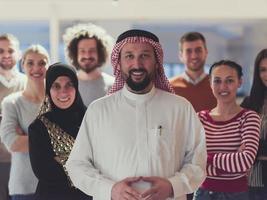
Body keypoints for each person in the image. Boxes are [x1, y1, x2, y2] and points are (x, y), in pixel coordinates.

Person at [66, 29, 207, 200]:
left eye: (145, 56)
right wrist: (110, 190)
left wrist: (172, 186)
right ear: (119, 63)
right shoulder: (98, 111)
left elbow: (198, 161)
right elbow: (77, 165)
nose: (137, 64)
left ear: (157, 62)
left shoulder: (180, 108)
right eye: (129, 56)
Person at [195, 60, 260, 200]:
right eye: (217, 81)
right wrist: (231, 162)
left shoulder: (249, 117)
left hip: (237, 195)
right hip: (202, 194)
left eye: (229, 80)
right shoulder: (199, 118)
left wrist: (206, 157)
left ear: (240, 82)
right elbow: (189, 158)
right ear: (210, 83)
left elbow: (245, 161)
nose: (223, 87)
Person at [28, 63, 92, 200]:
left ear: (76, 87)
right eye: (56, 86)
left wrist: (62, 160)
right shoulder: (38, 127)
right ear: (48, 90)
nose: (63, 92)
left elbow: (102, 162)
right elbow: (45, 173)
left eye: (69, 85)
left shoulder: (90, 121)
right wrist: (83, 165)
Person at [0, 44, 49, 200]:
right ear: (23, 65)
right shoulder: (11, 103)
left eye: (42, 63)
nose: (36, 68)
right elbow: (11, 142)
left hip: (55, 183)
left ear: (48, 65)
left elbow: (70, 141)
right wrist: (52, 140)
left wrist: (28, 139)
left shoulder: (58, 101)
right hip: (24, 186)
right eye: (30, 63)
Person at [63, 23, 114, 106]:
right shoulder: (65, 87)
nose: (87, 55)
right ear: (75, 54)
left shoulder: (113, 86)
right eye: (82, 51)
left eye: (92, 50)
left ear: (100, 53)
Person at [0, 33, 26, 200]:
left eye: (10, 50)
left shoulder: (28, 82)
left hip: (24, 160)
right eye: (1, 51)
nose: (6, 54)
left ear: (19, 53)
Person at [241, 49, 267, 200]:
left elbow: (248, 146)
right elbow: (239, 141)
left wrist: (254, 147)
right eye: (263, 70)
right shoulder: (249, 103)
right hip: (253, 180)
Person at [170, 32, 216, 112]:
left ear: (206, 52)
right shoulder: (170, 87)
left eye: (198, 50)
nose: (194, 56)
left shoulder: (217, 86)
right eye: (188, 51)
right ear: (181, 56)